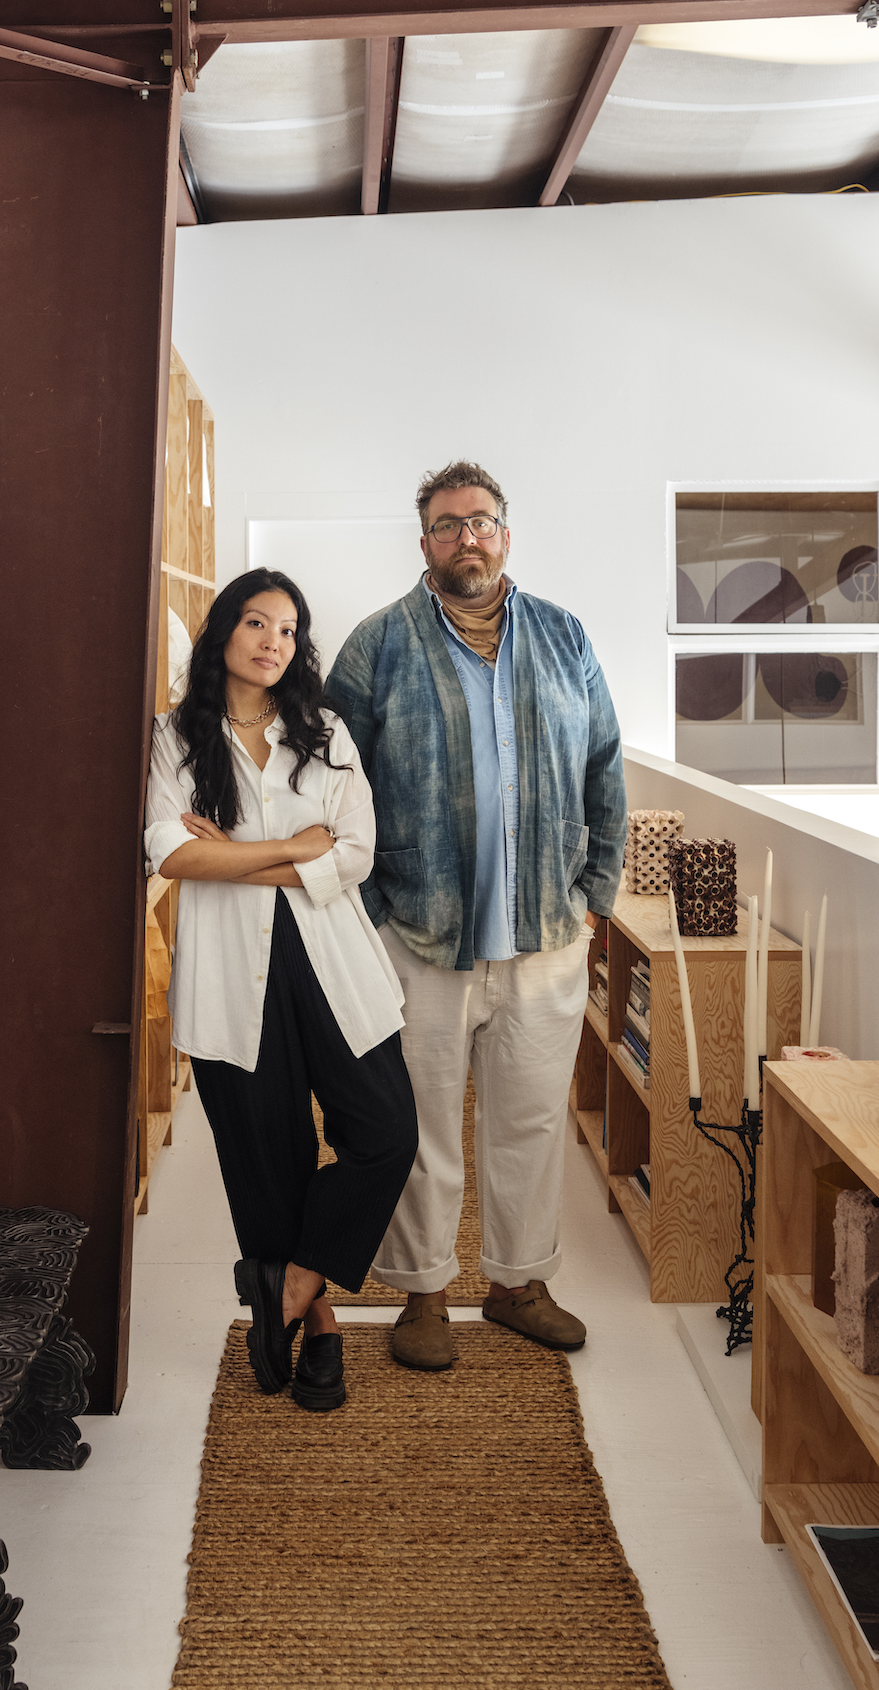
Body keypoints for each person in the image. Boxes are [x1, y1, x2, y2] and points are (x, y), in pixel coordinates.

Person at [325, 461, 626, 1367]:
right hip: (419, 931)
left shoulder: (564, 637)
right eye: (448, 524)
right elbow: (334, 785)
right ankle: (422, 1293)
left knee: (530, 1119)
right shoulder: (376, 646)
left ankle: (516, 1282)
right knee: (416, 1122)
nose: (468, 537)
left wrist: (593, 896)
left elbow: (604, 766)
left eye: (481, 521)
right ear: (424, 544)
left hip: (543, 929)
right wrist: (371, 907)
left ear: (505, 532)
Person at [144, 567, 418, 1410]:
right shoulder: (172, 738)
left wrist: (240, 855)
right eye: (257, 623)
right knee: (268, 1161)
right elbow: (173, 854)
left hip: (334, 965)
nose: (273, 642)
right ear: (223, 631)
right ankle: (323, 1326)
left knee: (384, 1133)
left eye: (289, 630)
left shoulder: (325, 730)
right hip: (232, 976)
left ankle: (292, 1283)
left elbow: (356, 851)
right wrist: (294, 849)